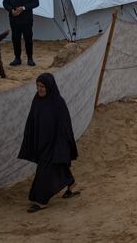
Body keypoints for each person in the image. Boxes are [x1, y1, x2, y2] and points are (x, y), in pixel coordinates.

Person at [18, 73, 80, 213]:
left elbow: (65, 125)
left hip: (54, 143)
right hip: (42, 142)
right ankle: (71, 184)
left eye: (43, 86)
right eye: (38, 86)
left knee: (44, 171)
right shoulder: (37, 99)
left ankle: (42, 200)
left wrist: (61, 145)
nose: (40, 89)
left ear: (50, 87)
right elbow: (32, 119)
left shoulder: (58, 102)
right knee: (56, 167)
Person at [3, 0, 40, 66]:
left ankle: (30, 58)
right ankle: (17, 58)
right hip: (14, 20)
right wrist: (11, 10)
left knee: (28, 39)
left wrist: (23, 8)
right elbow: (5, 3)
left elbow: (36, 3)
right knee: (16, 39)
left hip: (26, 20)